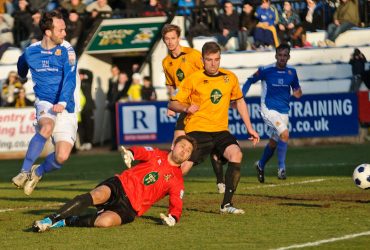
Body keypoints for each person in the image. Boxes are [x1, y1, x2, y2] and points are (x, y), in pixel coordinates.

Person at [32, 135, 196, 232]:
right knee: (97, 194)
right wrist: (131, 153)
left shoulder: (177, 181)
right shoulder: (156, 153)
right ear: (174, 146)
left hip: (130, 208)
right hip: (120, 185)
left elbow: (177, 202)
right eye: (182, 146)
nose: (184, 151)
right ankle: (50, 219)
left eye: (188, 151)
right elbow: (141, 151)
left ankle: (67, 221)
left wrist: (173, 217)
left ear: (188, 158)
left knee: (104, 222)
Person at [168, 41, 260, 214]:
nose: (213, 63)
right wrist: (186, 108)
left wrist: (250, 128)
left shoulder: (229, 77)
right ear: (202, 60)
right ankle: (156, 191)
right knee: (183, 167)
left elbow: (239, 101)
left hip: (220, 130)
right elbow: (172, 103)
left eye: (216, 59)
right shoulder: (193, 79)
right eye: (209, 60)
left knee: (236, 154)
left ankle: (226, 205)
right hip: (197, 130)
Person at [11, 10, 79, 196]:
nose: (65, 34)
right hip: (45, 103)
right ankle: (24, 171)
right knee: (46, 127)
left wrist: (63, 102)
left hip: (67, 107)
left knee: (62, 157)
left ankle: (37, 172)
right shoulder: (31, 51)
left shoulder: (67, 50)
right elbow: (21, 63)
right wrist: (22, 76)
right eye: (61, 30)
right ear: (48, 32)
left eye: (64, 30)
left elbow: (70, 79)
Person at [161, 24, 227, 194]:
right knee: (177, 148)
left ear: (179, 38)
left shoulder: (193, 55)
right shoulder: (166, 62)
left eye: (173, 38)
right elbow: (171, 86)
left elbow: (211, 73)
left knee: (211, 144)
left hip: (202, 107)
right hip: (185, 108)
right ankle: (171, 185)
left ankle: (220, 180)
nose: (170, 42)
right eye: (167, 39)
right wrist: (172, 103)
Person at [242, 43, 302, 183]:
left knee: (274, 142)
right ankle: (281, 168)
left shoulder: (291, 73)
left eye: (285, 56)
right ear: (275, 56)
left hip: (284, 111)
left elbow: (297, 90)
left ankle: (261, 165)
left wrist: (298, 92)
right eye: (279, 55)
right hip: (268, 109)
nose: (282, 58)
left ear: (288, 57)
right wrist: (241, 96)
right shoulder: (265, 70)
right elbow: (250, 80)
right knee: (285, 133)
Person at [106, 70, 130, 150]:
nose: (122, 79)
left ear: (126, 78)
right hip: (114, 109)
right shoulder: (114, 85)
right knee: (114, 127)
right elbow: (109, 95)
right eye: (120, 77)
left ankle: (126, 146)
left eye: (123, 77)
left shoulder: (129, 86)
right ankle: (114, 146)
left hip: (125, 111)